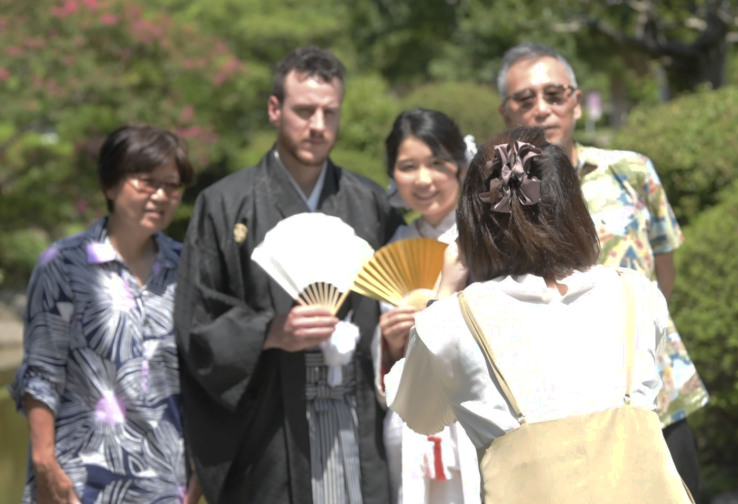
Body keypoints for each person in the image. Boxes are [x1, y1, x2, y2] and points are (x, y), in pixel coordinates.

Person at [388, 126, 673, 500]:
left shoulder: (454, 321)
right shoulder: (637, 292)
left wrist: (444, 289)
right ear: (572, 206)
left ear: (475, 221)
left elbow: (420, 413)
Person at [174, 46, 402, 504]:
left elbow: (398, 300)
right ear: (275, 109)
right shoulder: (224, 204)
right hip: (270, 432)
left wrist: (398, 334)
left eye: (329, 112)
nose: (317, 125)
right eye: (304, 110)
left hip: (355, 417)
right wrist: (269, 332)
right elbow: (195, 322)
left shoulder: (371, 203)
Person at [496, 42, 708, 497]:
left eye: (555, 94)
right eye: (525, 99)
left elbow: (663, 272)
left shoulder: (630, 172)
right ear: (505, 112)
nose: (542, 109)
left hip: (655, 398)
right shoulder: (500, 197)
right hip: (561, 415)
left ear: (575, 100)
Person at [9, 124, 199, 503]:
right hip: (78, 481)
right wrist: (45, 463)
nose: (161, 195)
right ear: (110, 186)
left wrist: (199, 476)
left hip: (166, 481)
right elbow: (41, 375)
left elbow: (200, 378)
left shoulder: (189, 266)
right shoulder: (62, 265)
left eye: (172, 185)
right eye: (146, 182)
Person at [375, 108, 480, 504]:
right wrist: (390, 342)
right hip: (411, 425)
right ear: (393, 174)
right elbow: (387, 365)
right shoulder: (391, 246)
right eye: (408, 166)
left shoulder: (484, 240)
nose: (423, 179)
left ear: (459, 165)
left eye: (437, 164)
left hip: (475, 412)